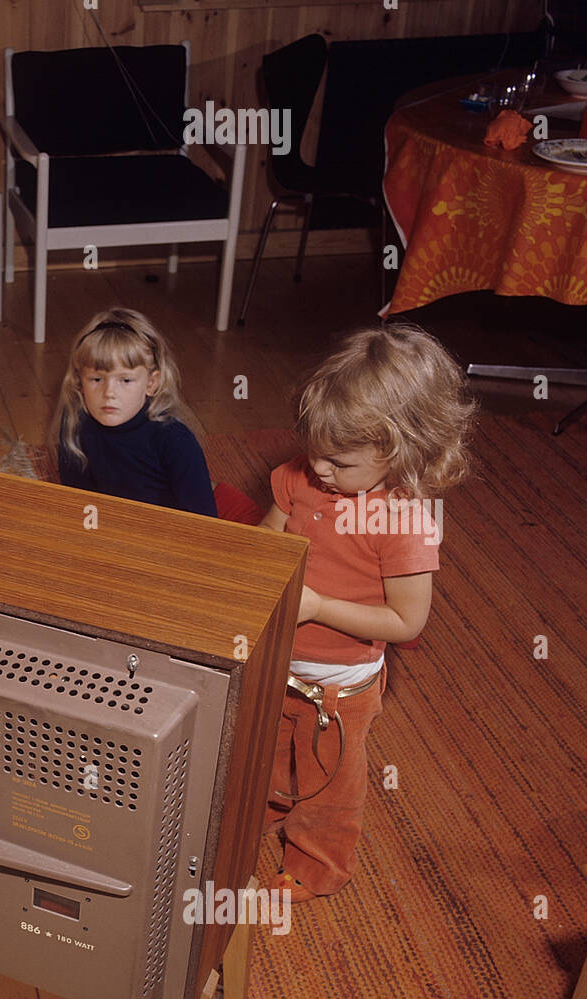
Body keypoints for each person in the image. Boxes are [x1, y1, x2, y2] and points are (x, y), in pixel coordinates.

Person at [258, 323, 475, 902]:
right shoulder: (302, 478)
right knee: (266, 748)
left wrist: (320, 606)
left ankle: (317, 862)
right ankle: (270, 807)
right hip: (280, 660)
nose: (320, 470)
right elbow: (266, 545)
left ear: (401, 450)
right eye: (314, 451)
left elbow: (407, 623)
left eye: (340, 462)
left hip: (340, 686)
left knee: (330, 778)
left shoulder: (404, 519)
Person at [52, 308, 219, 516]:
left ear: (151, 383)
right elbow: (78, 503)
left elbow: (204, 524)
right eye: (96, 379)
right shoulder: (74, 424)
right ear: (79, 382)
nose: (109, 392)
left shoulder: (175, 439)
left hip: (173, 530)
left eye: (126, 380)